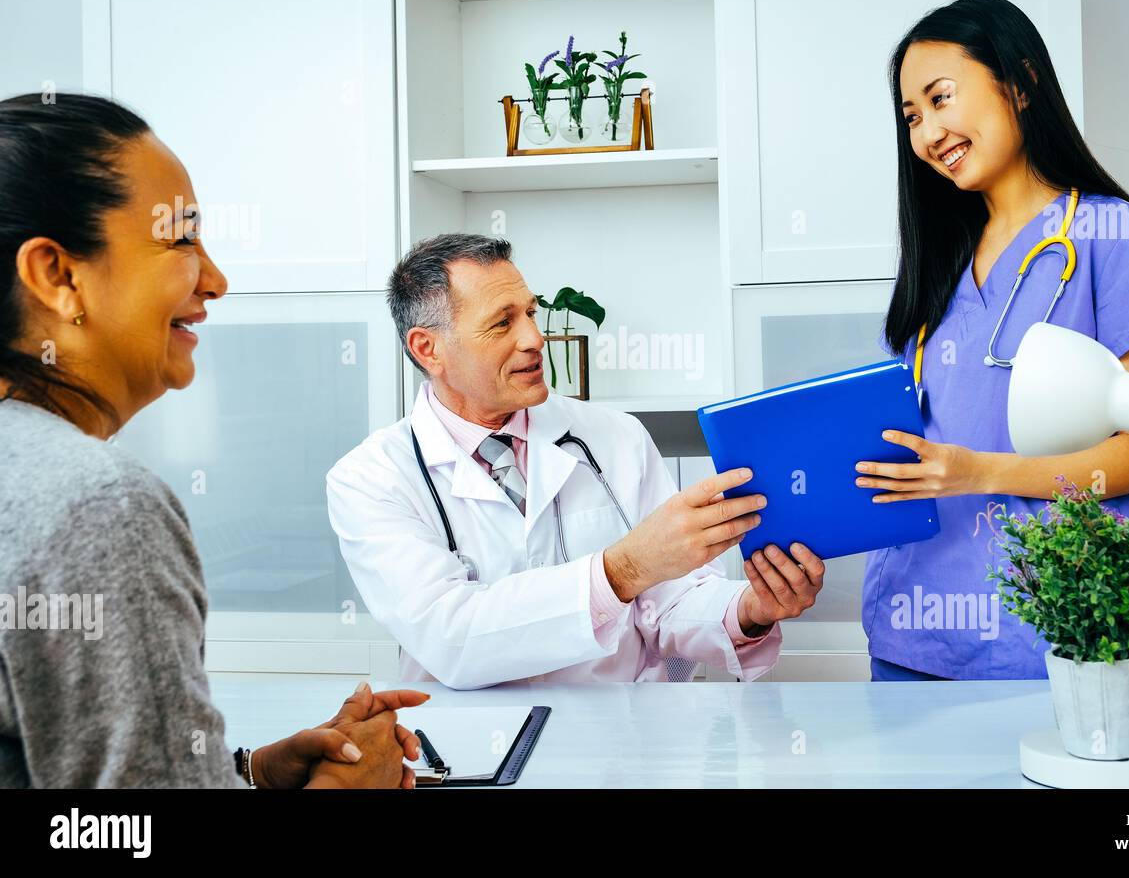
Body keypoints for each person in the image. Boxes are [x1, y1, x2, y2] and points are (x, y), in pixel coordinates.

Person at [0, 92, 427, 787]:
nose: (218, 280)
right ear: (58, 275)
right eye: (180, 240)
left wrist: (247, 774)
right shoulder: (97, 504)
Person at [855, 0, 1129, 681]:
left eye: (941, 98)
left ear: (1019, 84)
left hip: (1054, 640)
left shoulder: (1115, 238)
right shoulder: (936, 267)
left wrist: (980, 471)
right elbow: (907, 447)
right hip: (910, 635)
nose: (927, 132)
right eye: (911, 117)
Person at [327, 234, 826, 689]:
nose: (533, 338)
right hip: (472, 748)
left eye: (530, 313)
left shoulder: (614, 437)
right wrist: (623, 568)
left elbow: (669, 605)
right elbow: (452, 639)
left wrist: (751, 610)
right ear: (428, 348)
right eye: (503, 322)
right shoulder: (370, 479)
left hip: (621, 744)